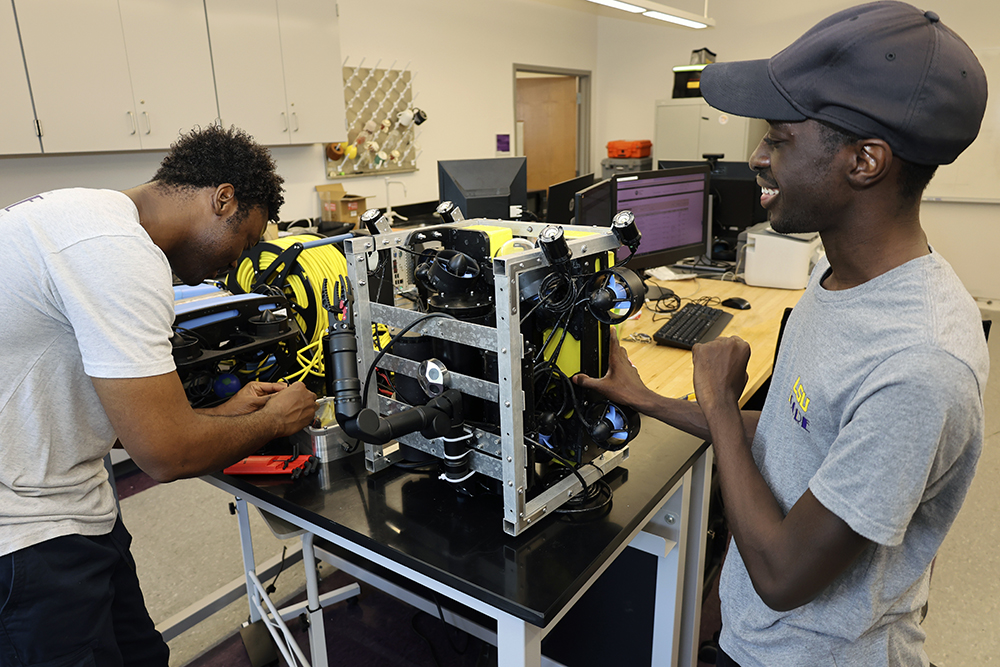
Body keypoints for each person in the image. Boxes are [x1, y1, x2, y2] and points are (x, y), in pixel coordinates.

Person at [575, 2, 989, 665]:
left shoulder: (920, 361)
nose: (759, 159)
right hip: (753, 636)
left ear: (865, 161)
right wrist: (648, 398)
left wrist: (714, 395)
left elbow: (783, 573)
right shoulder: (840, 276)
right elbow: (793, 434)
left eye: (779, 139)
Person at [0, 125, 318, 666]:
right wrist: (272, 421)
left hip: (71, 502)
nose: (239, 261)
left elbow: (109, 405)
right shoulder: (116, 252)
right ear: (224, 199)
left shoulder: (85, 215)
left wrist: (218, 415)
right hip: (28, 535)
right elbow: (166, 454)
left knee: (143, 655)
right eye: (246, 240)